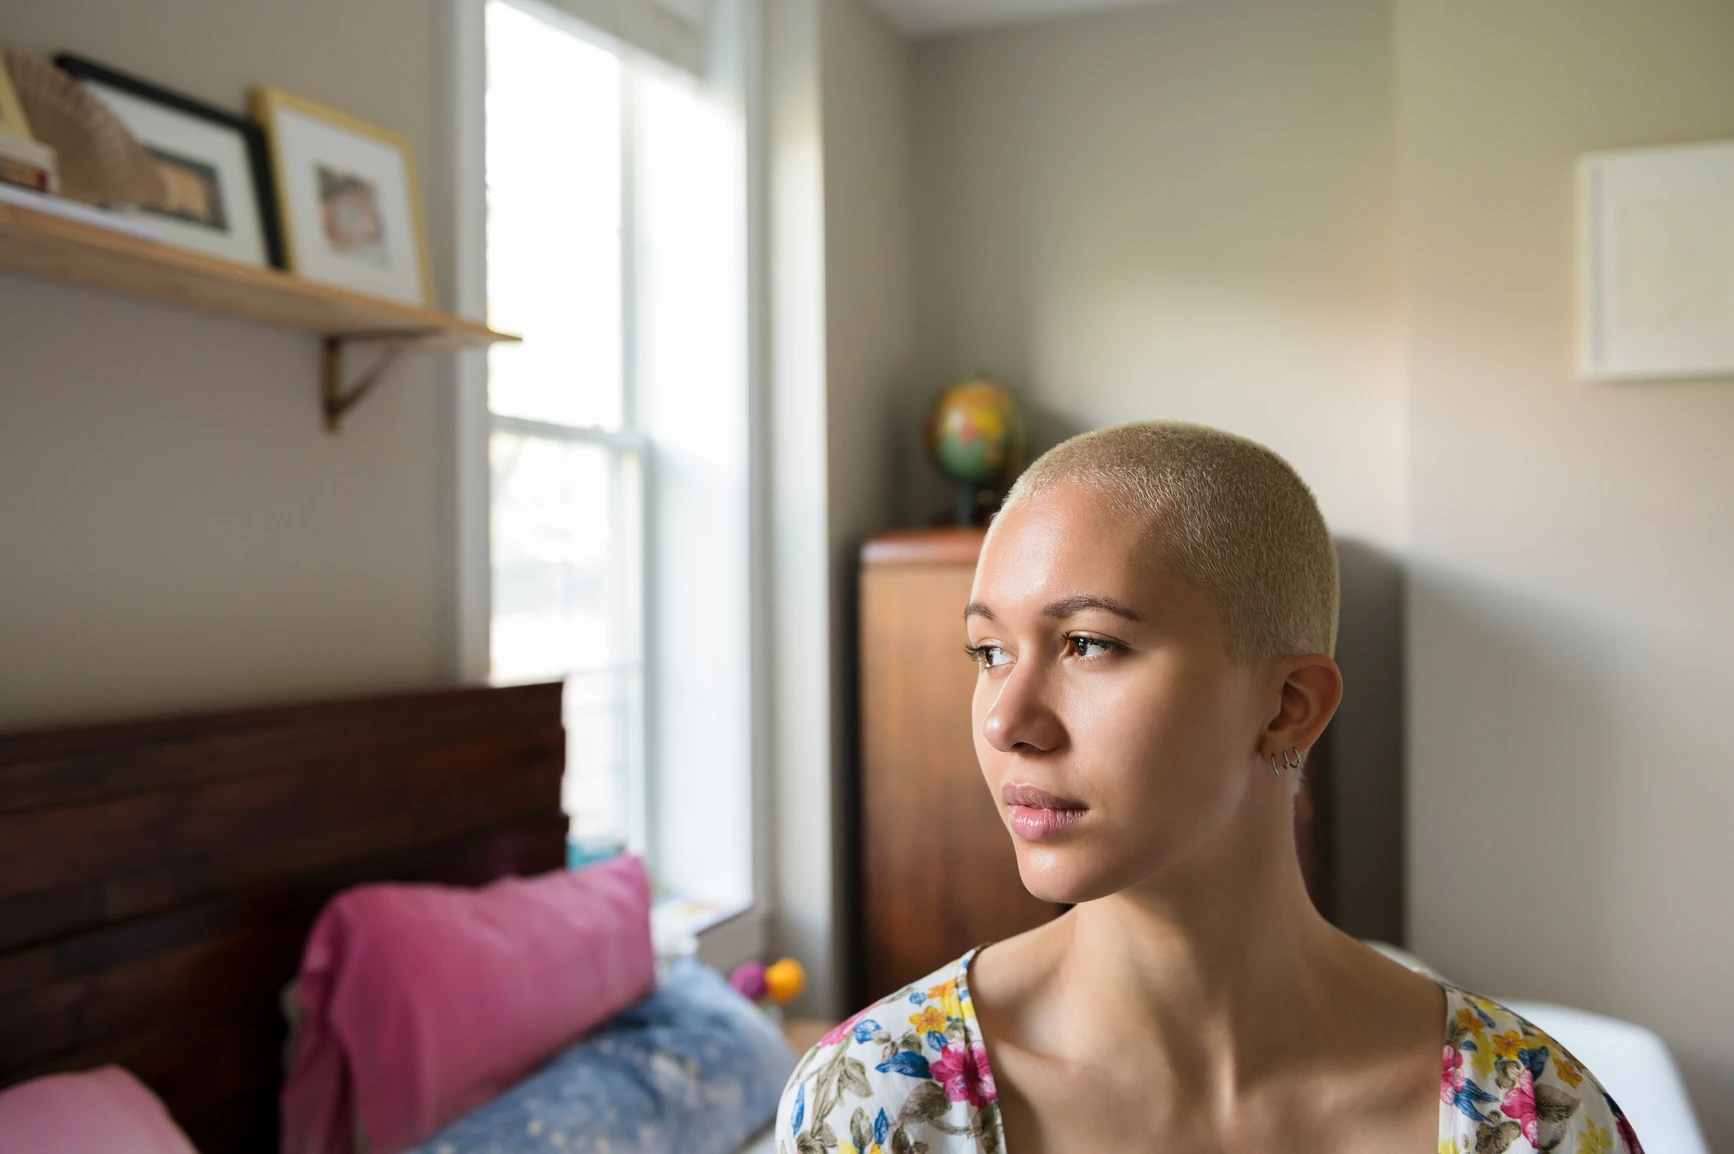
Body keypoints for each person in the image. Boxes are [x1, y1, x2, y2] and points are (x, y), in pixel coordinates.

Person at [776, 422, 1643, 1154]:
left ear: (1287, 708)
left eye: (1088, 644)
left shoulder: (1533, 1119)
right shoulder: (875, 1106)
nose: (1007, 721)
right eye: (989, 652)